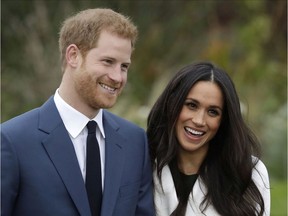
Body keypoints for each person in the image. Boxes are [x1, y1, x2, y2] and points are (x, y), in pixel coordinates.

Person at [1, 8, 155, 216]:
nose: (118, 77)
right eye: (108, 62)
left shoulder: (135, 142)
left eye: (124, 66)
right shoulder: (12, 141)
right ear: (73, 55)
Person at [147, 62, 270, 216]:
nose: (199, 120)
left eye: (213, 112)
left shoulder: (249, 172)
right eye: (191, 105)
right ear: (172, 104)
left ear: (223, 120)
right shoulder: (144, 165)